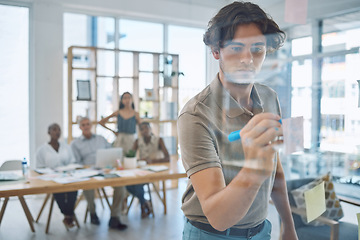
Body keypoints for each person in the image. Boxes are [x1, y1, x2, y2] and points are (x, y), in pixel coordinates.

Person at [178, 2, 298, 240]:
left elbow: (275, 166)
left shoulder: (269, 97)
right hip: (211, 234)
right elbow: (219, 217)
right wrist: (254, 168)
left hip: (261, 230)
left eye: (257, 49)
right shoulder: (195, 115)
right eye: (236, 48)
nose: (248, 59)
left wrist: (288, 225)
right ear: (216, 51)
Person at [70, 117, 127, 230]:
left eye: (88, 124)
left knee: (121, 185)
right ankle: (92, 213)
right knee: (88, 186)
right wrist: (87, 169)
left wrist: (111, 165)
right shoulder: (75, 143)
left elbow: (111, 153)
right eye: (83, 125)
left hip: (105, 170)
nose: (86, 127)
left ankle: (114, 217)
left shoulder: (101, 139)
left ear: (91, 125)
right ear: (80, 127)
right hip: (88, 173)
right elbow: (77, 163)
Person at [36, 123, 78, 230]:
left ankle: (67, 215)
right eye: (54, 129)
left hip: (66, 176)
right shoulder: (42, 150)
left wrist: (68, 169)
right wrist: (50, 172)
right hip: (51, 178)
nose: (57, 132)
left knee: (73, 188)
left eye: (59, 130)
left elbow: (72, 162)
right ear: (49, 132)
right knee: (58, 189)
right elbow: (39, 167)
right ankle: (68, 215)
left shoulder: (66, 147)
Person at [126, 121, 170, 218]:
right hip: (142, 170)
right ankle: (145, 202)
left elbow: (168, 158)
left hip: (155, 171)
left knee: (138, 183)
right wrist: (135, 160)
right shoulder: (138, 141)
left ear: (150, 129)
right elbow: (130, 155)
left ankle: (143, 206)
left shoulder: (159, 140)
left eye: (146, 128)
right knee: (127, 183)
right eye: (141, 129)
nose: (144, 131)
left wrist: (152, 161)